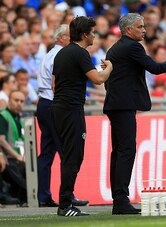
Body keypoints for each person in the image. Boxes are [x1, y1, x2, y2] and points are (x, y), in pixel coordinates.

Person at [104, 13, 166, 215]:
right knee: (126, 151)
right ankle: (121, 200)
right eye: (140, 27)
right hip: (123, 105)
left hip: (116, 104)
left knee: (119, 151)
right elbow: (155, 68)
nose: (144, 30)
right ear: (129, 29)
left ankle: (119, 199)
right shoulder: (132, 47)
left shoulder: (116, 47)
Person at [51, 16, 113, 217]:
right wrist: (109, 68)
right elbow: (98, 79)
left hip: (59, 107)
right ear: (85, 35)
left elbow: (54, 84)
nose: (95, 35)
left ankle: (65, 202)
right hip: (70, 109)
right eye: (93, 32)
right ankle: (65, 204)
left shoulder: (61, 53)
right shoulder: (80, 53)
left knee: (69, 155)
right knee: (73, 157)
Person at [37, 24, 89, 208]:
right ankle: (67, 196)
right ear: (61, 38)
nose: (73, 38)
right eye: (69, 36)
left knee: (46, 152)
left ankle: (44, 195)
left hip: (43, 103)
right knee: (67, 151)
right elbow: (55, 82)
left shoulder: (49, 55)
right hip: (56, 104)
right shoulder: (62, 55)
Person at [0, 90, 27, 205]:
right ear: (8, 101)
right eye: (16, 100)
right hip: (9, 157)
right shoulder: (3, 116)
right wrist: (17, 156)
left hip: (20, 158)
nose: (19, 103)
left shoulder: (20, 119)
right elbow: (1, 139)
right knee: (14, 169)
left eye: (21, 101)